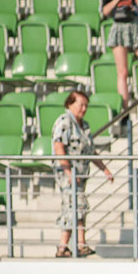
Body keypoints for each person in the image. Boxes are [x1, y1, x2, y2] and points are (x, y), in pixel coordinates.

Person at [52, 91, 115, 258]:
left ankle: (74, 245)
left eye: (86, 105)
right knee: (75, 206)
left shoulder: (84, 125)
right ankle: (70, 246)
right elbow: (59, 148)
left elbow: (90, 151)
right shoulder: (64, 122)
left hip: (81, 174)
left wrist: (104, 169)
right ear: (70, 104)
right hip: (68, 174)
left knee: (77, 207)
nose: (84, 108)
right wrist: (68, 172)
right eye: (81, 104)